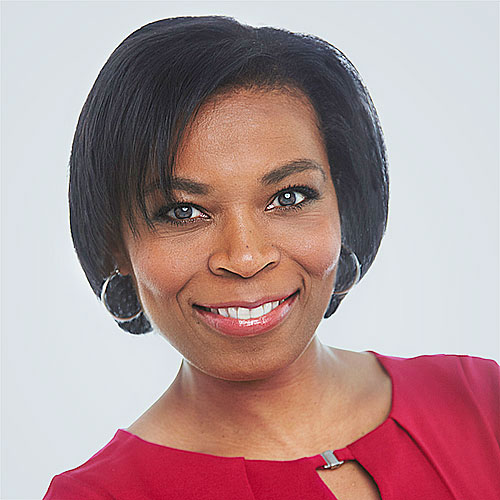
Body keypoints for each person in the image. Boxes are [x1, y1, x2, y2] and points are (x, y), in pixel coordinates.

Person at [43, 15, 499, 500]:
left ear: (343, 207)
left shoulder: (481, 400)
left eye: (289, 197)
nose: (245, 257)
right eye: (183, 211)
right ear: (117, 245)